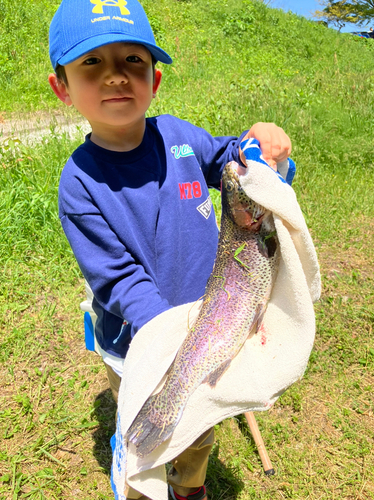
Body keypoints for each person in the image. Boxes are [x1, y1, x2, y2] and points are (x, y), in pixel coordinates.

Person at [48, 1, 292, 499]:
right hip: (139, 342)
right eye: (92, 63)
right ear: (62, 87)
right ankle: (143, 486)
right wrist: (170, 343)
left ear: (154, 80)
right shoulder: (79, 184)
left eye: (133, 61)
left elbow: (234, 163)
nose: (116, 76)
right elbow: (117, 278)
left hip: (208, 324)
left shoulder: (179, 136)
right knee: (147, 428)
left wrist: (261, 150)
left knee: (198, 425)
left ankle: (191, 484)